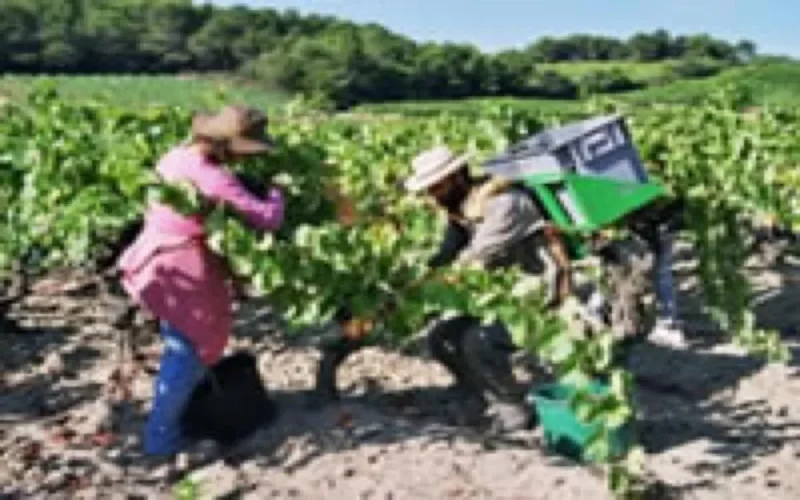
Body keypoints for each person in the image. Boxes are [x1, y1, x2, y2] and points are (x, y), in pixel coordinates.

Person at [116, 105, 285, 459]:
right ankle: (162, 439)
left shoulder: (175, 157)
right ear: (224, 145)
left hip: (158, 259)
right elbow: (265, 219)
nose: (241, 160)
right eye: (241, 151)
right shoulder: (214, 177)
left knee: (180, 345)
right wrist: (275, 193)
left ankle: (175, 421)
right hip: (184, 265)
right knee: (186, 351)